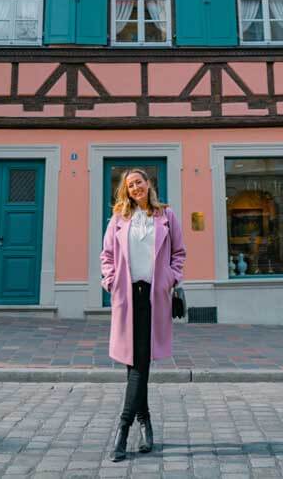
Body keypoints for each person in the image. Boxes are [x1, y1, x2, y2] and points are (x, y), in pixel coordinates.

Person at [100, 167, 186, 462]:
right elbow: (107, 256)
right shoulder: (119, 218)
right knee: (134, 363)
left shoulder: (167, 216)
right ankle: (143, 423)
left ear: (149, 184)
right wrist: (110, 281)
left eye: (139, 182)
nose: (135, 187)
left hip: (154, 296)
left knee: (139, 363)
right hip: (126, 296)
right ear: (126, 190)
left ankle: (123, 429)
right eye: (130, 185)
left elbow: (179, 253)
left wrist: (170, 279)